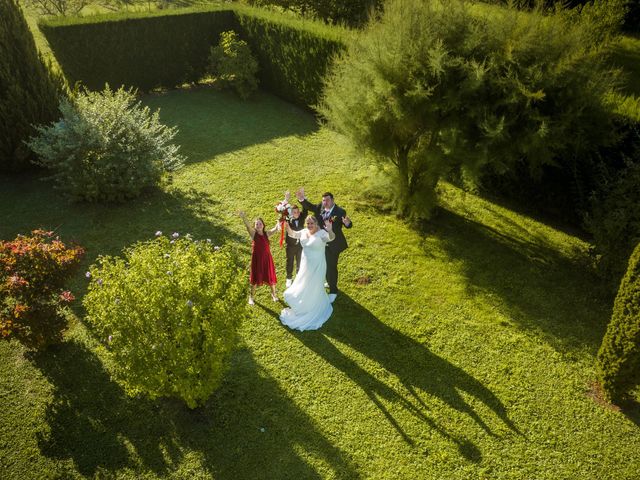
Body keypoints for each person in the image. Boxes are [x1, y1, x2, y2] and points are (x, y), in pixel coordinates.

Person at [280, 215, 335, 331]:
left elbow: (331, 238)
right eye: (308, 223)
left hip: (317, 265)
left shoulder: (322, 234)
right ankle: (303, 304)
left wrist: (330, 230)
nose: (310, 226)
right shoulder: (304, 231)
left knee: (314, 285)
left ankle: (313, 306)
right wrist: (287, 226)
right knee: (303, 283)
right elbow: (293, 234)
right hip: (305, 264)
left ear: (316, 224)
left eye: (312, 223)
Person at [296, 188, 352, 303]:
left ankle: (333, 291)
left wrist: (348, 224)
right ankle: (329, 281)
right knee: (324, 264)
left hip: (334, 244)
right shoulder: (320, 207)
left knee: (331, 266)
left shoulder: (340, 212)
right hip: (321, 242)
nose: (324, 203)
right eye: (323, 200)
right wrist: (302, 199)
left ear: (332, 200)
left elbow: (346, 223)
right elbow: (310, 206)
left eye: (327, 200)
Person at [239, 211, 279, 305]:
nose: (259, 225)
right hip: (257, 260)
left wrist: (279, 220)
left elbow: (276, 229)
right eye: (257, 224)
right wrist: (244, 217)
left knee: (270, 277)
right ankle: (251, 297)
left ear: (263, 225)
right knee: (255, 279)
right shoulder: (254, 234)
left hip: (267, 260)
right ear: (255, 226)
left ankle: (273, 294)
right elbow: (248, 227)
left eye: (260, 223)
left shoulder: (266, 234)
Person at [285, 204, 307, 288]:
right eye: (294, 212)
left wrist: (303, 199)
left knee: (299, 261)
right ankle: (289, 278)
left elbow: (305, 210)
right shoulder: (288, 219)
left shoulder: (301, 217)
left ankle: (298, 277)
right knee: (289, 261)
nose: (297, 213)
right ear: (291, 213)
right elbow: (284, 214)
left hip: (300, 245)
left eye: (298, 212)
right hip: (290, 245)